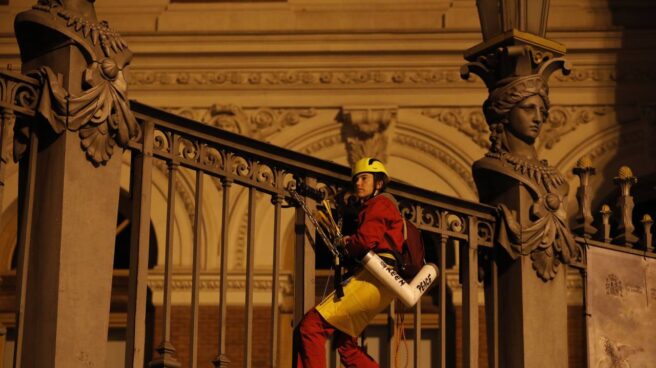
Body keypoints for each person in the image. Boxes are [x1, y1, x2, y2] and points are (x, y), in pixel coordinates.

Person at [294, 157, 404, 368]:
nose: (358, 184)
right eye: (356, 180)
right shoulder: (385, 206)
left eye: (364, 178)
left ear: (378, 183)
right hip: (384, 283)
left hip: (374, 278)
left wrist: (348, 243)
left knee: (311, 327)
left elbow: (364, 241)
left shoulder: (380, 203)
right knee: (346, 345)